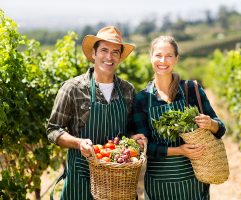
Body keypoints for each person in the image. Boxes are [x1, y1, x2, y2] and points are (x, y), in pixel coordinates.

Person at [47, 26, 136, 200]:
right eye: (104, 50)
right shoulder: (73, 88)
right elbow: (53, 129)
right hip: (80, 178)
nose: (109, 57)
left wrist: (137, 138)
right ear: (94, 54)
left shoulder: (128, 90)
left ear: (119, 57)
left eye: (115, 52)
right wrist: (79, 143)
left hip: (117, 181)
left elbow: (131, 130)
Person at [131, 36, 226, 200]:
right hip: (159, 185)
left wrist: (211, 124)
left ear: (176, 59)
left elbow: (221, 129)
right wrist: (179, 151)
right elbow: (146, 147)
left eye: (169, 55)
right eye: (158, 55)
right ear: (151, 57)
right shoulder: (142, 99)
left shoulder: (191, 90)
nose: (163, 60)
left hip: (194, 182)